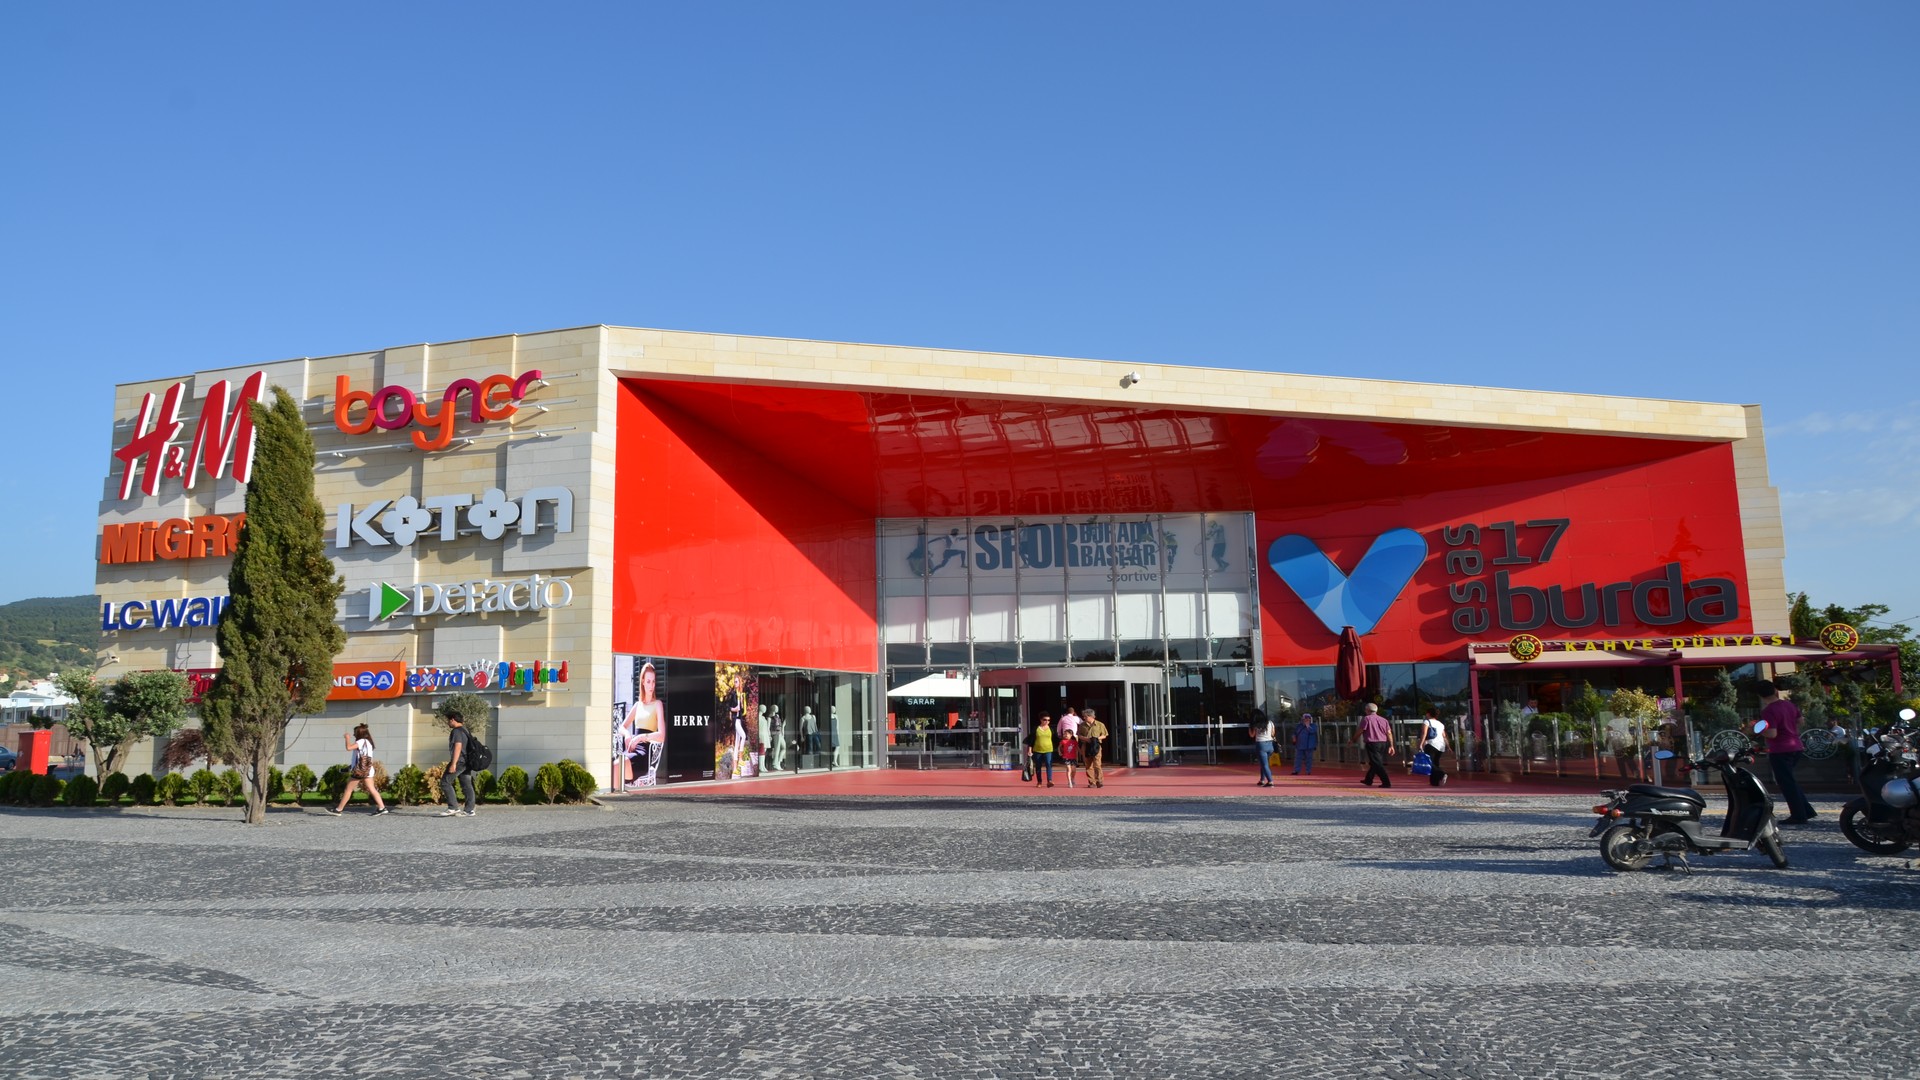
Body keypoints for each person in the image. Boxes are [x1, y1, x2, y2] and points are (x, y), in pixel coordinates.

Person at [1753, 680, 1816, 824]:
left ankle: (1799, 815)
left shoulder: (1768, 711)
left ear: (1760, 695)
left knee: (1787, 783)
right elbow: (1801, 721)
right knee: (1790, 780)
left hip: (1780, 749)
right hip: (1796, 746)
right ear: (1775, 690)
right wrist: (1791, 729)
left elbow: (1772, 733)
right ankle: (1806, 811)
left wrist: (1757, 730)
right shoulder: (1789, 704)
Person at [620, 661, 667, 789]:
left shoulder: (658, 704)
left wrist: (640, 737)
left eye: (653, 681)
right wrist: (627, 735)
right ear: (642, 682)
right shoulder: (637, 705)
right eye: (648, 681)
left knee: (622, 763)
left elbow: (662, 736)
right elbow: (621, 727)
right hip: (632, 749)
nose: (651, 685)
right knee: (616, 763)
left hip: (644, 753)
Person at [327, 723, 389, 815]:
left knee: (348, 790)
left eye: (355, 733)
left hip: (360, 771)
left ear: (359, 733)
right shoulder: (369, 742)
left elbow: (348, 748)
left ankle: (338, 810)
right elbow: (361, 758)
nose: (353, 735)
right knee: (372, 789)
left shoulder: (361, 741)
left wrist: (347, 738)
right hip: (368, 769)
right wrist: (350, 767)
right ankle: (382, 807)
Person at [439, 708, 477, 817]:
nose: (448, 723)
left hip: (459, 761)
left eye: (448, 720)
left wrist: (453, 764)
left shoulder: (456, 731)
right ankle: (469, 810)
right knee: (467, 785)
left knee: (445, 782)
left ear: (453, 720)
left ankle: (453, 807)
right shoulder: (465, 730)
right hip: (467, 762)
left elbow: (458, 746)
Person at [1354, 703, 1393, 788]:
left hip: (1372, 743)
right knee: (1375, 762)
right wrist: (1391, 745)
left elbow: (1360, 730)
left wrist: (1353, 739)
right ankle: (1368, 779)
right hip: (1383, 743)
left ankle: (1386, 782)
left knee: (1377, 763)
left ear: (1367, 710)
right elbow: (1389, 733)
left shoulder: (1366, 719)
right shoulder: (1383, 720)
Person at [1025, 714, 1056, 788]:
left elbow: (1055, 738)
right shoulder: (1036, 728)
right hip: (1037, 750)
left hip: (1048, 750)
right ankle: (1039, 782)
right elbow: (1031, 740)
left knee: (1048, 764)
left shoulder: (1051, 729)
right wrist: (1030, 750)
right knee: (1038, 766)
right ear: (1041, 720)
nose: (1047, 721)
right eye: (1045, 720)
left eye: (1048, 720)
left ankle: (1049, 781)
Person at [1420, 710, 1449, 787]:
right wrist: (1448, 746)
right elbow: (1444, 736)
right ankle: (1434, 782)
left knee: (1429, 763)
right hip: (1441, 745)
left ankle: (1441, 774)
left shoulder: (1427, 722)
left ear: (1428, 714)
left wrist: (1421, 743)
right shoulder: (1440, 724)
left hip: (1431, 744)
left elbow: (1424, 733)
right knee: (1435, 763)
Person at [1080, 709, 1108, 789]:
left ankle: (1099, 781)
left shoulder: (1100, 724)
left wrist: (1096, 739)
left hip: (1096, 745)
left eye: (1085, 716)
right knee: (1088, 765)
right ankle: (1092, 782)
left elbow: (1105, 735)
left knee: (1097, 764)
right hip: (1086, 745)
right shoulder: (1082, 725)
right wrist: (1086, 739)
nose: (1084, 718)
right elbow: (1079, 735)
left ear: (1090, 716)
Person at [1248, 711, 1277, 787]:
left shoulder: (1255, 724)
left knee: (1264, 764)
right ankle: (1262, 780)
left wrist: (1250, 728)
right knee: (1264, 763)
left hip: (1261, 744)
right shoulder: (1270, 722)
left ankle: (1270, 781)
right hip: (1270, 745)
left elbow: (1252, 735)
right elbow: (1273, 733)